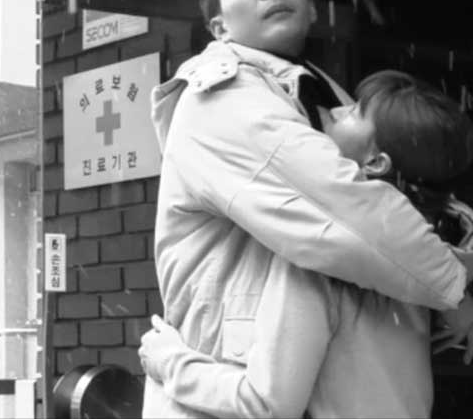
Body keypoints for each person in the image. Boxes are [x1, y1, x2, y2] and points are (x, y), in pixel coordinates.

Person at [145, 0, 473, 417]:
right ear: (219, 27)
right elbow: (347, 211)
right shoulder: (220, 98)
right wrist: (456, 286)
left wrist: (454, 288)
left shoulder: (321, 97)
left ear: (313, 6)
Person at [141, 70, 473, 418]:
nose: (336, 110)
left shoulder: (322, 257)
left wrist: (169, 361)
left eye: (356, 111)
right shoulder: (429, 258)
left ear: (376, 163)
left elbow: (267, 405)